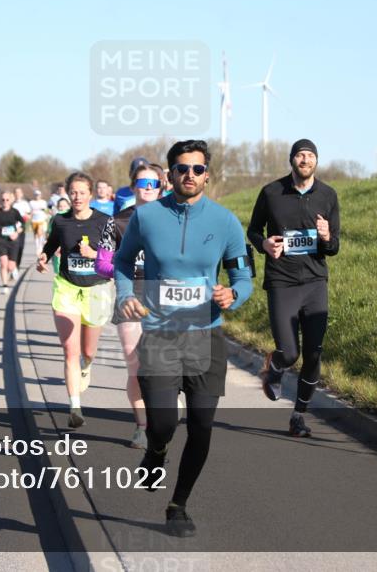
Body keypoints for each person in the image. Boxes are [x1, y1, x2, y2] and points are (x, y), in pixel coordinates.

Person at [116, 139, 253, 537]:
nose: (189, 175)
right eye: (181, 169)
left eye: (196, 169)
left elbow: (243, 276)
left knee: (202, 426)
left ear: (207, 175)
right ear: (169, 175)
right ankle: (156, 454)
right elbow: (124, 261)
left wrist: (233, 294)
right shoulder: (147, 217)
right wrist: (126, 295)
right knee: (162, 424)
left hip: (205, 336)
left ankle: (178, 505)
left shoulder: (225, 221)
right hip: (159, 334)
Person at [246, 139, 339, 437]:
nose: (305, 160)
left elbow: (334, 246)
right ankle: (275, 367)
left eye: (311, 155)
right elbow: (253, 229)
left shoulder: (328, 195)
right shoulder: (272, 192)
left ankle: (298, 415)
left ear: (316, 161)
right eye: (300, 155)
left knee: (314, 354)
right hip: (282, 281)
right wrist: (263, 244)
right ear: (292, 160)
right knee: (289, 352)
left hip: (314, 282)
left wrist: (326, 237)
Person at [95, 162, 165, 448]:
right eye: (142, 183)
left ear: (162, 186)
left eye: (153, 183)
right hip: (130, 295)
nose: (148, 188)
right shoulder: (118, 221)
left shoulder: (175, 220)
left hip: (167, 298)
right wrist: (125, 270)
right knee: (135, 364)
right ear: (133, 186)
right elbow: (101, 263)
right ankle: (141, 426)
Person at [36, 172, 113, 429]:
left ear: (90, 194)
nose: (77, 197)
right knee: (70, 350)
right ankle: (74, 407)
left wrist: (94, 253)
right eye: (73, 192)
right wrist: (44, 258)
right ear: (67, 193)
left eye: (82, 192)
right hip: (67, 288)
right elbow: (50, 245)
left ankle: (87, 365)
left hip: (96, 289)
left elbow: (114, 256)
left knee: (88, 352)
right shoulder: (60, 221)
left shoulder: (105, 221)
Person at [0, 190, 24, 296]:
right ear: (0, 201)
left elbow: (22, 225)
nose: (5, 201)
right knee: (3, 263)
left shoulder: (15, 212)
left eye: (7, 200)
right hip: (1, 241)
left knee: (10, 266)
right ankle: (5, 285)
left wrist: (16, 233)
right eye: (3, 200)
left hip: (13, 241)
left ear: (11, 200)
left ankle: (13, 268)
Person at [12, 187, 33, 281]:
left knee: (20, 248)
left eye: (19, 192)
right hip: (12, 229)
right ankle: (13, 267)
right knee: (13, 249)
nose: (17, 194)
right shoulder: (11, 203)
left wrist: (26, 217)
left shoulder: (25, 204)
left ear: (21, 194)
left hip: (22, 228)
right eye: (15, 192)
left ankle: (17, 265)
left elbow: (29, 215)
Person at [49, 197, 71, 274]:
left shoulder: (73, 217)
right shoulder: (54, 219)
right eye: (60, 206)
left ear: (69, 206)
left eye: (65, 206)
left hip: (70, 248)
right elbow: (50, 234)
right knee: (58, 270)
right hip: (57, 248)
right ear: (57, 207)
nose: (62, 208)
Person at [29, 189, 50, 254]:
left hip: (42, 219)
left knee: (40, 233)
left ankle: (40, 246)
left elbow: (47, 210)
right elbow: (30, 212)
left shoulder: (43, 202)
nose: (37, 196)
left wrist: (47, 216)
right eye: (36, 195)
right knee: (36, 234)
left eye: (38, 195)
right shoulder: (31, 202)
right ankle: (37, 246)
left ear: (40, 195)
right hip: (34, 220)